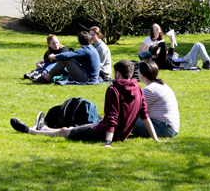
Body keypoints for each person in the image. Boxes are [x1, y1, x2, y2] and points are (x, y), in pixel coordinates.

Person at [10, 60, 161, 147]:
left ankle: (31, 131)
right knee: (79, 124)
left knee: (65, 131)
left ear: (118, 74)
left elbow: (113, 118)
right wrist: (155, 138)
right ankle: (44, 127)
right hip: (120, 134)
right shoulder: (138, 89)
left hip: (103, 133)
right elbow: (144, 115)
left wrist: (107, 142)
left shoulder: (113, 90)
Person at [133, 59, 179, 138]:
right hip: (170, 128)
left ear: (141, 74)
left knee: (125, 119)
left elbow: (134, 110)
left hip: (164, 129)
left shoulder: (149, 90)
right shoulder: (161, 85)